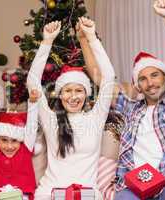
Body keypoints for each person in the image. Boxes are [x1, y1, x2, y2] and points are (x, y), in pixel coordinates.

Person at [84, 0, 165, 199]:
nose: (150, 83)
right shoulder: (129, 108)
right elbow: (98, 77)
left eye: (155, 75)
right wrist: (85, 38)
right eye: (143, 78)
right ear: (138, 86)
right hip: (133, 185)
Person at [26, 17, 115, 199]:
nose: (73, 96)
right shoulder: (51, 118)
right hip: (51, 192)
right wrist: (47, 41)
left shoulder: (96, 117)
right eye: (67, 91)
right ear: (59, 94)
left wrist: (91, 38)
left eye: (78, 91)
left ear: (87, 94)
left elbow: (109, 77)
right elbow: (32, 82)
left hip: (87, 193)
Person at [0, 89, 40, 200]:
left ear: (20, 140)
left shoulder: (26, 149)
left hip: (23, 196)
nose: (9, 146)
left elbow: (31, 127)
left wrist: (33, 102)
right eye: (4, 140)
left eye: (14, 141)